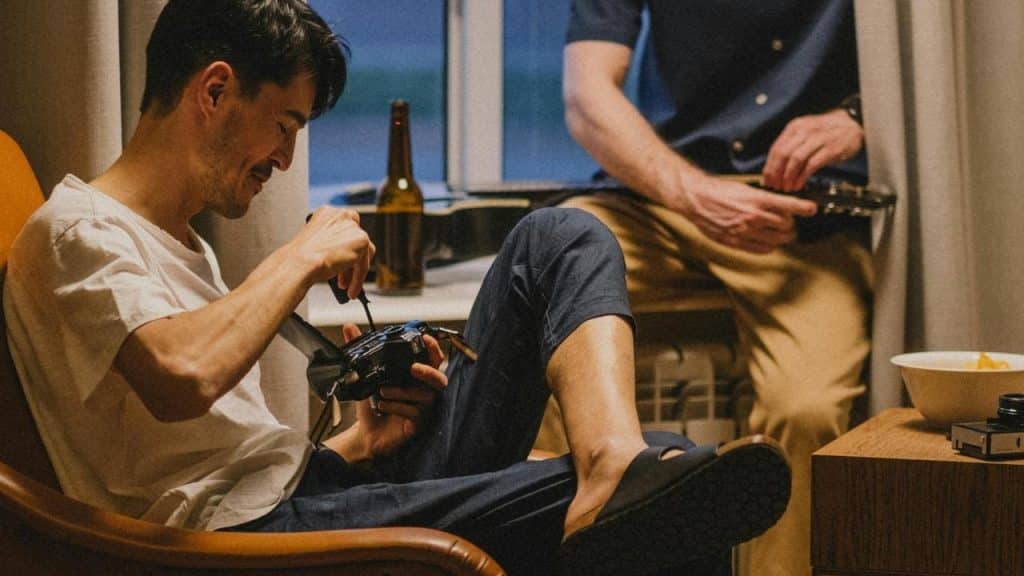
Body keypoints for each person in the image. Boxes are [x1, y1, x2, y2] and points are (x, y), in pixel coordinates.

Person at [2, 1, 791, 575]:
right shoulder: (76, 231)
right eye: (284, 124)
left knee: (561, 236)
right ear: (213, 92)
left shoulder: (178, 244)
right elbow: (183, 378)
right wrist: (302, 252)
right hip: (244, 543)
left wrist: (359, 440)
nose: (284, 157)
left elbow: (207, 449)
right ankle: (617, 479)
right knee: (681, 485)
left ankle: (612, 458)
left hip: (304, 496)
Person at [561, 1, 874, 575]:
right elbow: (586, 96)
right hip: (660, 202)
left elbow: (939, 73)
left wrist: (861, 116)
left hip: (801, 223)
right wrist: (695, 196)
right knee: (551, 265)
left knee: (807, 411)